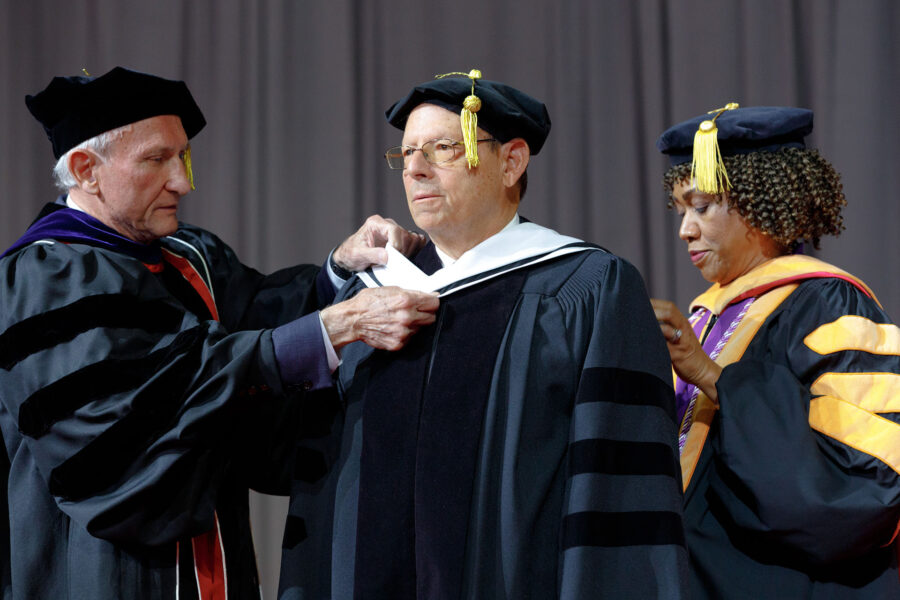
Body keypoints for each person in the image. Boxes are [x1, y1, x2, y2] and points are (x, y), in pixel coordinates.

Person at [0, 66, 439, 600]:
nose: (183, 181)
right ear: (87, 170)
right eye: (158, 159)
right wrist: (327, 330)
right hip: (104, 570)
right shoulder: (47, 275)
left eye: (182, 156)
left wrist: (340, 271)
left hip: (217, 558)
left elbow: (257, 315)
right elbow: (123, 425)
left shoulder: (187, 254)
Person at [279, 70, 688, 599]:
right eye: (406, 155)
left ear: (512, 161)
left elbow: (615, 488)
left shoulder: (586, 287)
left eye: (444, 149)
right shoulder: (367, 298)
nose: (416, 170)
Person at [651, 104, 900, 598]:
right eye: (681, 211)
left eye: (702, 206)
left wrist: (716, 377)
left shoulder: (830, 303)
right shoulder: (708, 315)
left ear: (762, 206)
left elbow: (863, 489)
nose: (685, 230)